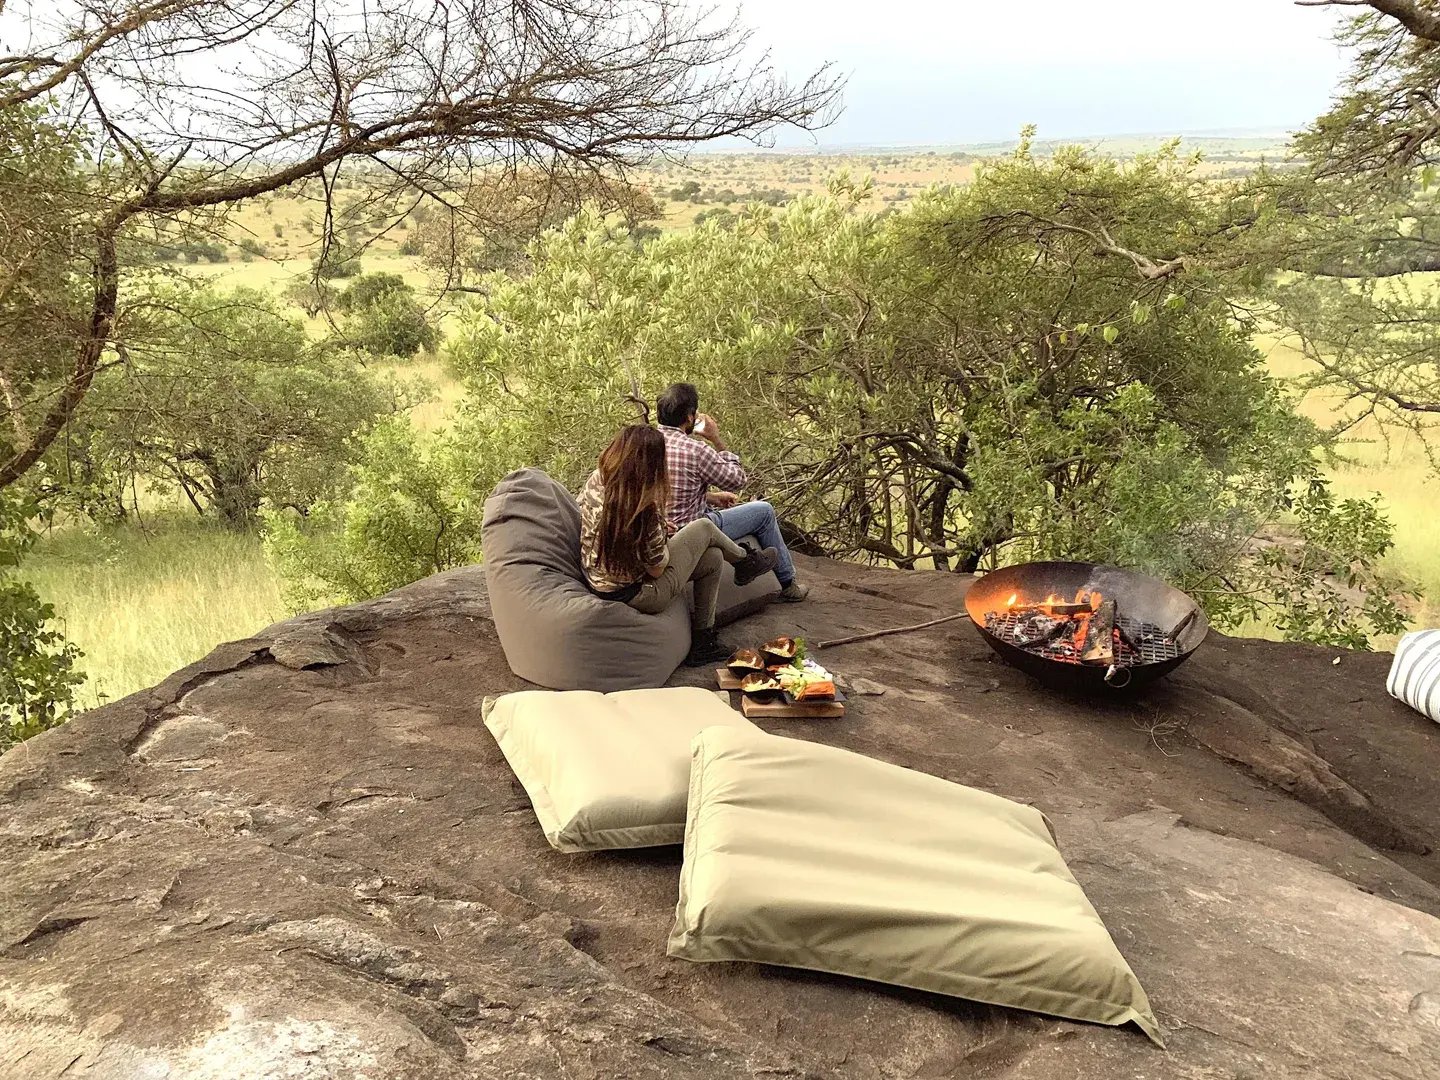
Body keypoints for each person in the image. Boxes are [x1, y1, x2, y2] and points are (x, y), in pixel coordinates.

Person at [577, 425, 779, 666]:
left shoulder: (598, 480)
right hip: (637, 594)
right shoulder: (645, 511)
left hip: (599, 576)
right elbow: (656, 570)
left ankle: (704, 643)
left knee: (713, 557)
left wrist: (658, 528)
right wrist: (661, 534)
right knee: (703, 527)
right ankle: (745, 561)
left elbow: (597, 520)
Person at [655, 383, 810, 602]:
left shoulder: (644, 444)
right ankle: (788, 584)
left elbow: (666, 489)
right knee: (764, 511)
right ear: (690, 417)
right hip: (693, 530)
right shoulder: (695, 450)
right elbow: (737, 480)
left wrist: (710, 497)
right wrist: (716, 439)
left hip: (658, 529)